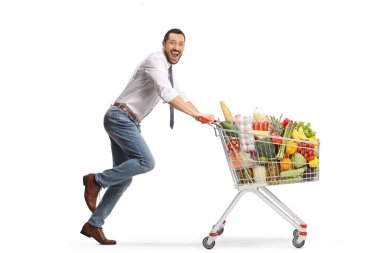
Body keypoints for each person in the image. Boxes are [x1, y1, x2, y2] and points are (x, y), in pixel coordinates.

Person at [80, 28, 215, 245]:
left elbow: (180, 94)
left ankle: (94, 224)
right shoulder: (155, 61)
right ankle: (95, 180)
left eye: (181, 44)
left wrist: (200, 115)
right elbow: (167, 93)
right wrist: (194, 114)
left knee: (124, 180)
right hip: (120, 117)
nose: (176, 48)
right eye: (172, 43)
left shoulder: (169, 70)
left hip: (129, 121)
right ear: (164, 44)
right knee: (146, 162)